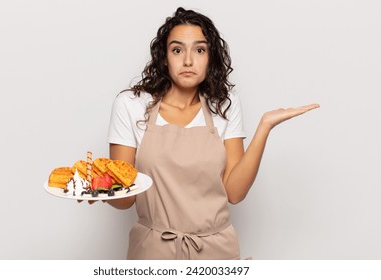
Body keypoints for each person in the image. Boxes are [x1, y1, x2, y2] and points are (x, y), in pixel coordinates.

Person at [105, 7, 319, 259]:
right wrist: (102, 191)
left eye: (199, 50)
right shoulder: (131, 104)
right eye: (177, 50)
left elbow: (235, 192)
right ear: (164, 58)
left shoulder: (224, 104)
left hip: (216, 252)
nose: (187, 60)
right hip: (153, 251)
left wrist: (264, 126)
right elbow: (124, 200)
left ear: (210, 57)